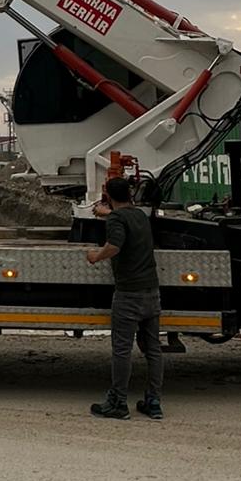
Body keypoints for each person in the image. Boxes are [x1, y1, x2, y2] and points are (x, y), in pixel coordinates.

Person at [85, 177, 163, 420]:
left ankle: (118, 402)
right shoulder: (140, 215)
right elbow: (125, 219)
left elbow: (115, 245)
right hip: (151, 292)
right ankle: (154, 402)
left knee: (122, 350)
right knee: (153, 350)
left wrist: (96, 256)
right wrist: (107, 213)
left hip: (129, 294)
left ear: (108, 196)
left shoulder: (117, 219)